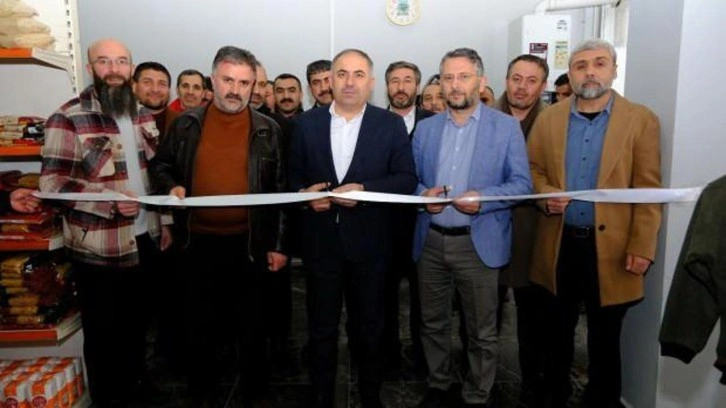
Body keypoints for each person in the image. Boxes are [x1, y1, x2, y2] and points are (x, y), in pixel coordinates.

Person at [150, 46, 288, 408]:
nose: (235, 90)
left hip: (250, 244)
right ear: (213, 80)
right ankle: (202, 393)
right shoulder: (185, 124)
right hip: (196, 243)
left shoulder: (269, 130)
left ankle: (255, 395)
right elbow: (160, 167)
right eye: (228, 80)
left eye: (244, 83)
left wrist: (278, 245)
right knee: (199, 327)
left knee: (253, 327)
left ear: (254, 85)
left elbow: (280, 191)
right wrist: (170, 187)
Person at [527, 39, 662, 408]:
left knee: (605, 337)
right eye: (581, 65)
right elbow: (533, 170)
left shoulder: (641, 120)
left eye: (599, 63)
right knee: (555, 332)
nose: (589, 72)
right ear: (570, 74)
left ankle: (601, 399)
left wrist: (642, 246)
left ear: (614, 70)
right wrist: (545, 194)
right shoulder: (549, 118)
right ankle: (555, 395)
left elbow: (648, 190)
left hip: (613, 250)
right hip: (559, 244)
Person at [40, 38, 171, 407]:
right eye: (104, 61)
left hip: (145, 238)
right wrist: (110, 200)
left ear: (130, 68)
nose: (114, 70)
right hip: (99, 246)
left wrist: (165, 222)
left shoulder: (142, 114)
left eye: (121, 62)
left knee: (138, 325)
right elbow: (53, 184)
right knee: (103, 334)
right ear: (90, 68)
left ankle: (138, 386)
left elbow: (154, 175)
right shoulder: (68, 117)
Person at [289, 48, 417, 407]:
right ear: (330, 80)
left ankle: (370, 396)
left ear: (371, 82)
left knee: (370, 328)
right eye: (342, 73)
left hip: (371, 247)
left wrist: (365, 191)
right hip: (321, 245)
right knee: (321, 328)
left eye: (358, 74)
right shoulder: (305, 125)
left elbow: (407, 179)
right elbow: (292, 178)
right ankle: (321, 395)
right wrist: (304, 197)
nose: (349, 82)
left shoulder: (389, 124)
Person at [412, 47, 532, 408]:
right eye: (448, 77)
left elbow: (522, 185)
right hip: (431, 242)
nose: (455, 84)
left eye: (463, 76)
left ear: (480, 81)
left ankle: (477, 394)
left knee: (482, 330)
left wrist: (485, 198)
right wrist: (422, 195)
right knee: (432, 323)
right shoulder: (425, 129)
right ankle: (439, 383)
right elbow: (410, 179)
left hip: (478, 244)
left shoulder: (506, 127)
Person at [494, 53, 549, 405]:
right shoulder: (485, 117)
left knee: (534, 319)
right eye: (516, 79)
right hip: (489, 229)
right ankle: (481, 379)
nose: (522, 87)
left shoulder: (555, 122)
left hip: (537, 234)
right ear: (506, 80)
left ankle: (533, 382)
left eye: (531, 81)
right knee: (482, 316)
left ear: (543, 86)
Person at [383, 60, 433, 377]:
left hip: (423, 226)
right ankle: (386, 357)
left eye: (407, 80)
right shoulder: (372, 122)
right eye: (394, 81)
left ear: (417, 85)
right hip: (383, 227)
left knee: (424, 299)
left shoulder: (434, 123)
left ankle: (423, 357)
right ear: (386, 86)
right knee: (383, 298)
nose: (401, 87)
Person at [132, 61, 178, 135]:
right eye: (147, 82)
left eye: (162, 84)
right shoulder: (120, 122)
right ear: (134, 86)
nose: (155, 89)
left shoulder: (182, 123)